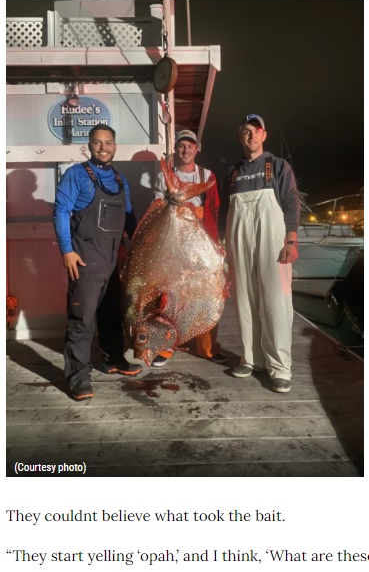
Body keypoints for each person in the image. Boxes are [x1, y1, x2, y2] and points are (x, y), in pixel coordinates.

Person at [53, 123, 142, 401]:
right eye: (97, 142)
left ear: (115, 146)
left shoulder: (119, 179)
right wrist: (67, 251)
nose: (103, 147)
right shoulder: (76, 175)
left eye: (108, 142)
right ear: (89, 146)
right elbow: (61, 211)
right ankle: (78, 377)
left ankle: (113, 359)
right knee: (81, 321)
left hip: (114, 261)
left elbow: (129, 219)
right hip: (85, 261)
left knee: (111, 314)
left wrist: (141, 244)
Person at [225, 114, 300, 393]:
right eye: (245, 131)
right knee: (244, 298)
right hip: (238, 239)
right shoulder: (233, 173)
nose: (251, 136)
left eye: (256, 131)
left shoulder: (279, 166)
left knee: (275, 302)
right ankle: (251, 359)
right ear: (240, 137)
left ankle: (280, 367)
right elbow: (225, 212)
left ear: (264, 135)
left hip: (273, 240)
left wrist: (291, 240)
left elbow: (291, 203)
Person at [152, 128, 226, 367]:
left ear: (197, 149)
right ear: (175, 149)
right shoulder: (165, 174)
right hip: (174, 242)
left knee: (206, 293)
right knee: (171, 295)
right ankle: (166, 347)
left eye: (190, 146)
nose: (185, 150)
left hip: (201, 243)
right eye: (181, 146)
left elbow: (214, 209)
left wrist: (215, 243)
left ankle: (207, 348)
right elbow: (156, 207)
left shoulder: (208, 175)